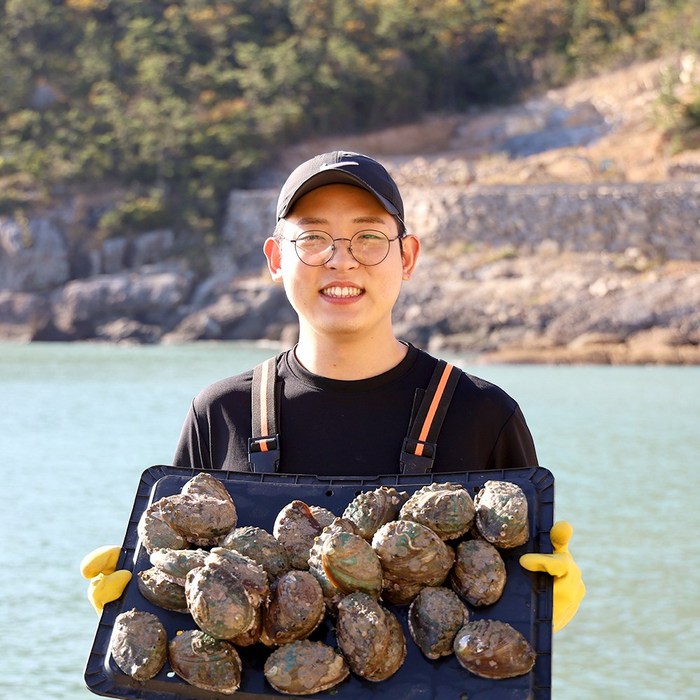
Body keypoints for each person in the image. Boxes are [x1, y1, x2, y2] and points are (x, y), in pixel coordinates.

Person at [81, 151, 584, 632]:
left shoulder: (483, 415)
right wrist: (145, 603)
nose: (341, 261)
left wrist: (543, 610)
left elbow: (509, 625)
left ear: (407, 256)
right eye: (314, 239)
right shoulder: (222, 413)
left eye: (368, 238)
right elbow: (185, 592)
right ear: (277, 258)